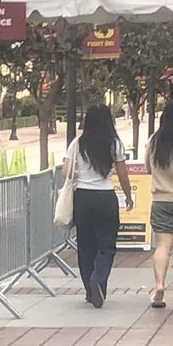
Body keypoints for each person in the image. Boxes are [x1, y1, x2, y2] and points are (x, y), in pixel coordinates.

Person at [64, 104, 133, 308]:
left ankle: (89, 289)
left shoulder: (77, 143)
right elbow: (122, 174)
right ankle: (99, 278)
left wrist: (82, 174)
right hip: (105, 197)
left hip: (82, 198)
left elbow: (65, 170)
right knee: (107, 244)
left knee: (85, 245)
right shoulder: (114, 144)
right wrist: (128, 196)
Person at [145, 99, 173, 309]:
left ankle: (159, 286)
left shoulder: (154, 141)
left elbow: (148, 168)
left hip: (161, 201)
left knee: (162, 246)